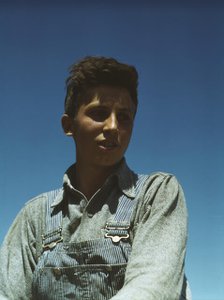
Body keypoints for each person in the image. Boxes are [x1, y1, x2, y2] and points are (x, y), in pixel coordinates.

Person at [0, 56, 191, 300]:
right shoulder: (34, 216)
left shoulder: (157, 194)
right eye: (99, 113)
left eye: (124, 117)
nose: (113, 126)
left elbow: (152, 289)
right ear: (68, 125)